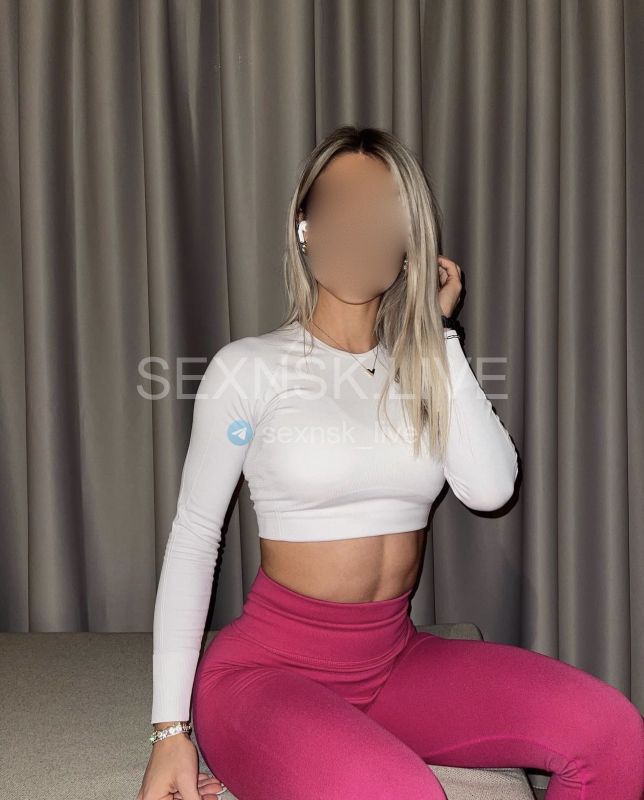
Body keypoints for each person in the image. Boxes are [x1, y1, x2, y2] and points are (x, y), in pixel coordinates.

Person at [136, 126, 644, 800]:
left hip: (395, 660)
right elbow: (195, 539)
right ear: (304, 228)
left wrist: (438, 338)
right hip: (267, 673)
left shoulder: (421, 370)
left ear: (410, 240)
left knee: (612, 733)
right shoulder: (247, 370)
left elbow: (491, 488)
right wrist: (169, 731)